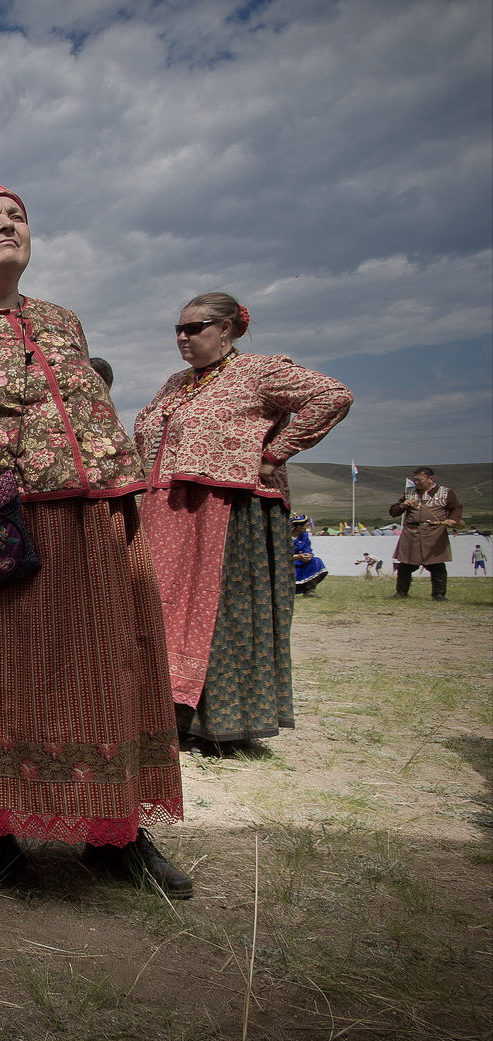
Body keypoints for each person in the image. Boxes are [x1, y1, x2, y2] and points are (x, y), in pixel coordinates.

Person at [0, 182, 188, 894]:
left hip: (92, 521)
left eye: (17, 214)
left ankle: (114, 832)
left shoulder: (62, 321)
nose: (8, 222)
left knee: (108, 672)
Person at [134, 292, 352, 742]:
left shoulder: (259, 371)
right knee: (163, 605)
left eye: (193, 328)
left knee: (218, 610)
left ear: (226, 330)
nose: (182, 336)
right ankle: (165, 713)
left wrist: (275, 453)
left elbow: (333, 395)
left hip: (230, 512)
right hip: (169, 510)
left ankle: (221, 722)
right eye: (178, 328)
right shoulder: (177, 382)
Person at [390, 468, 463, 600]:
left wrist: (453, 520)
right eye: (415, 480)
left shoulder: (446, 493)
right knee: (405, 564)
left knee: (436, 565)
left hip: (434, 532)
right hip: (411, 533)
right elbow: (393, 512)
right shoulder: (409, 493)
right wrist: (403, 505)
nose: (416, 482)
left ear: (430, 479)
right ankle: (401, 592)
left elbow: (456, 508)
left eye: (419, 480)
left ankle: (439, 594)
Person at [291, 514, 329, 596]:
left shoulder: (304, 536)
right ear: (298, 527)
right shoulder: (285, 537)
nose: (308, 528)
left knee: (317, 561)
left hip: (301, 561)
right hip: (288, 562)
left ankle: (309, 591)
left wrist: (308, 556)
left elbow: (307, 548)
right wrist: (297, 557)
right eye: (306, 526)